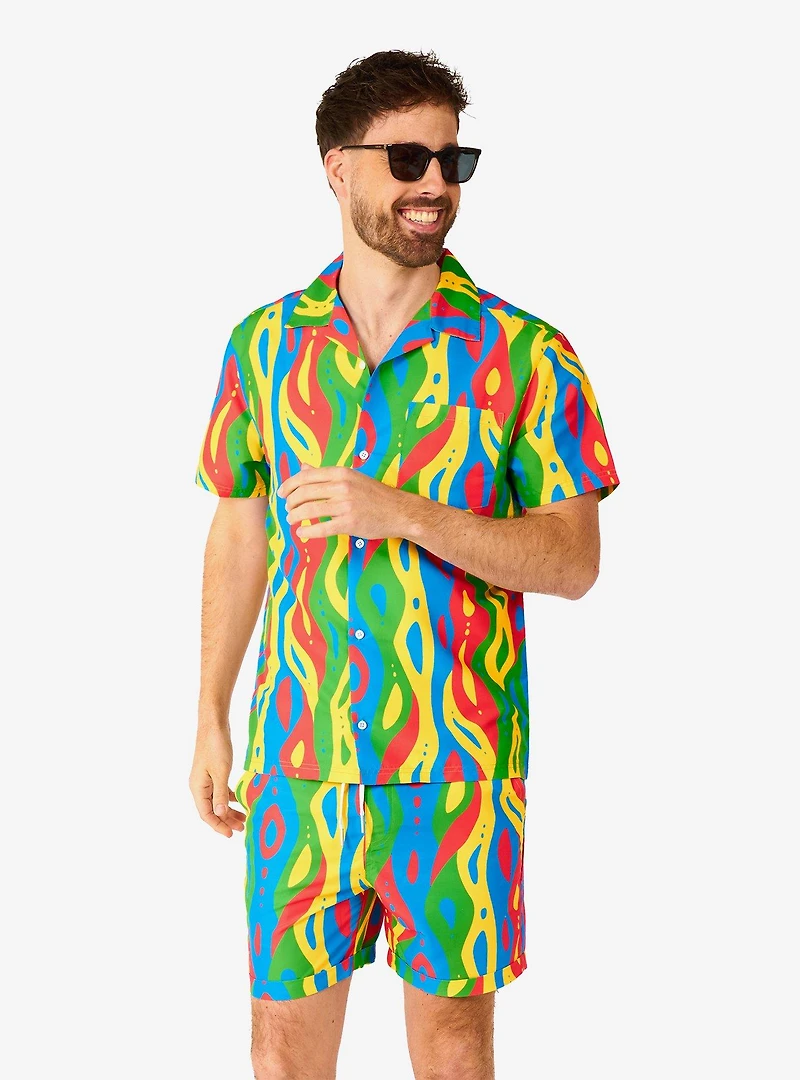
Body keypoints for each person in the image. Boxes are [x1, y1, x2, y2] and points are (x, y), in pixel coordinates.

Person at [189, 48, 620, 1080]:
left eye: (452, 160)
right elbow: (241, 532)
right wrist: (209, 711)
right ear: (337, 167)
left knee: (454, 1046)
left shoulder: (526, 355)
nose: (435, 184)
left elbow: (572, 560)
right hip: (298, 765)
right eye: (408, 159)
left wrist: (407, 515)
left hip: (457, 770)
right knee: (280, 1047)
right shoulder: (263, 347)